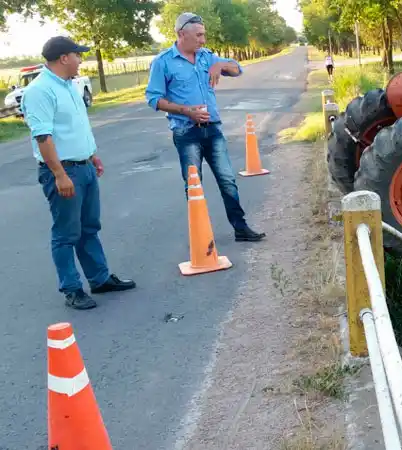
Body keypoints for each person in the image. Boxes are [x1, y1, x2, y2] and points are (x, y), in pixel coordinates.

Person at [22, 36, 136, 310]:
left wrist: (92, 153)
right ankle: (72, 288)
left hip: (83, 166)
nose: (80, 59)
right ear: (63, 58)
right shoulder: (39, 91)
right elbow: (43, 137)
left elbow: (76, 126)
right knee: (65, 233)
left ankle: (99, 278)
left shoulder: (71, 86)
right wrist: (60, 175)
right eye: (77, 54)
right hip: (64, 171)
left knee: (89, 228)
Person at [144, 12, 266, 242]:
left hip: (213, 129)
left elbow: (238, 69)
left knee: (227, 179)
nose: (203, 40)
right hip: (186, 132)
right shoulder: (163, 62)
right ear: (182, 34)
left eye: (204, 35)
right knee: (194, 185)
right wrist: (186, 111)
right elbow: (153, 99)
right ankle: (201, 237)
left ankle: (241, 228)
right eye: (198, 35)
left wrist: (220, 64)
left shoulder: (206, 56)